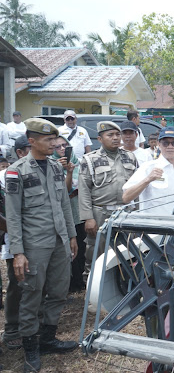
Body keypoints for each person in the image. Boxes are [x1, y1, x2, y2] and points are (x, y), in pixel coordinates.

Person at [5, 118, 78, 371]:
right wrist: (18, 252)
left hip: (59, 241)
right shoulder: (16, 171)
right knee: (32, 295)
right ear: (32, 140)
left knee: (59, 291)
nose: (55, 144)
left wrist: (71, 235)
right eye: (49, 140)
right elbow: (12, 215)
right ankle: (30, 347)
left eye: (55, 140)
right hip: (34, 244)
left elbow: (64, 204)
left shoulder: (57, 168)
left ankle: (48, 338)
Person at [78, 122, 138, 279]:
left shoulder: (130, 157)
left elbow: (137, 187)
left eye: (117, 135)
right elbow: (84, 190)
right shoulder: (89, 160)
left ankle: (122, 289)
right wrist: (88, 218)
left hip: (126, 213)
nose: (116, 138)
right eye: (110, 135)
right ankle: (93, 298)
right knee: (96, 255)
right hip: (100, 213)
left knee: (126, 254)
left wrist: (138, 212)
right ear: (100, 139)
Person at [0, 135, 30, 352]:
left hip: (39, 237)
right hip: (16, 237)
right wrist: (17, 232)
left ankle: (31, 324)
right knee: (16, 283)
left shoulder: (43, 170)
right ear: (20, 152)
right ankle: (12, 328)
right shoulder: (5, 176)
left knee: (35, 282)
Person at [122, 126, 174, 215]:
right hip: (152, 225)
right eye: (165, 143)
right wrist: (147, 179)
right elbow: (126, 197)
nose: (170, 147)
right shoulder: (148, 167)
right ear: (159, 144)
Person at [51, 135, 85, 292]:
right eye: (57, 146)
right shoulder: (51, 164)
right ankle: (69, 283)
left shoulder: (77, 162)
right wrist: (64, 171)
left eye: (65, 145)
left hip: (78, 209)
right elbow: (65, 190)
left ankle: (79, 281)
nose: (62, 149)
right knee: (67, 247)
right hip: (62, 210)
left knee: (80, 244)